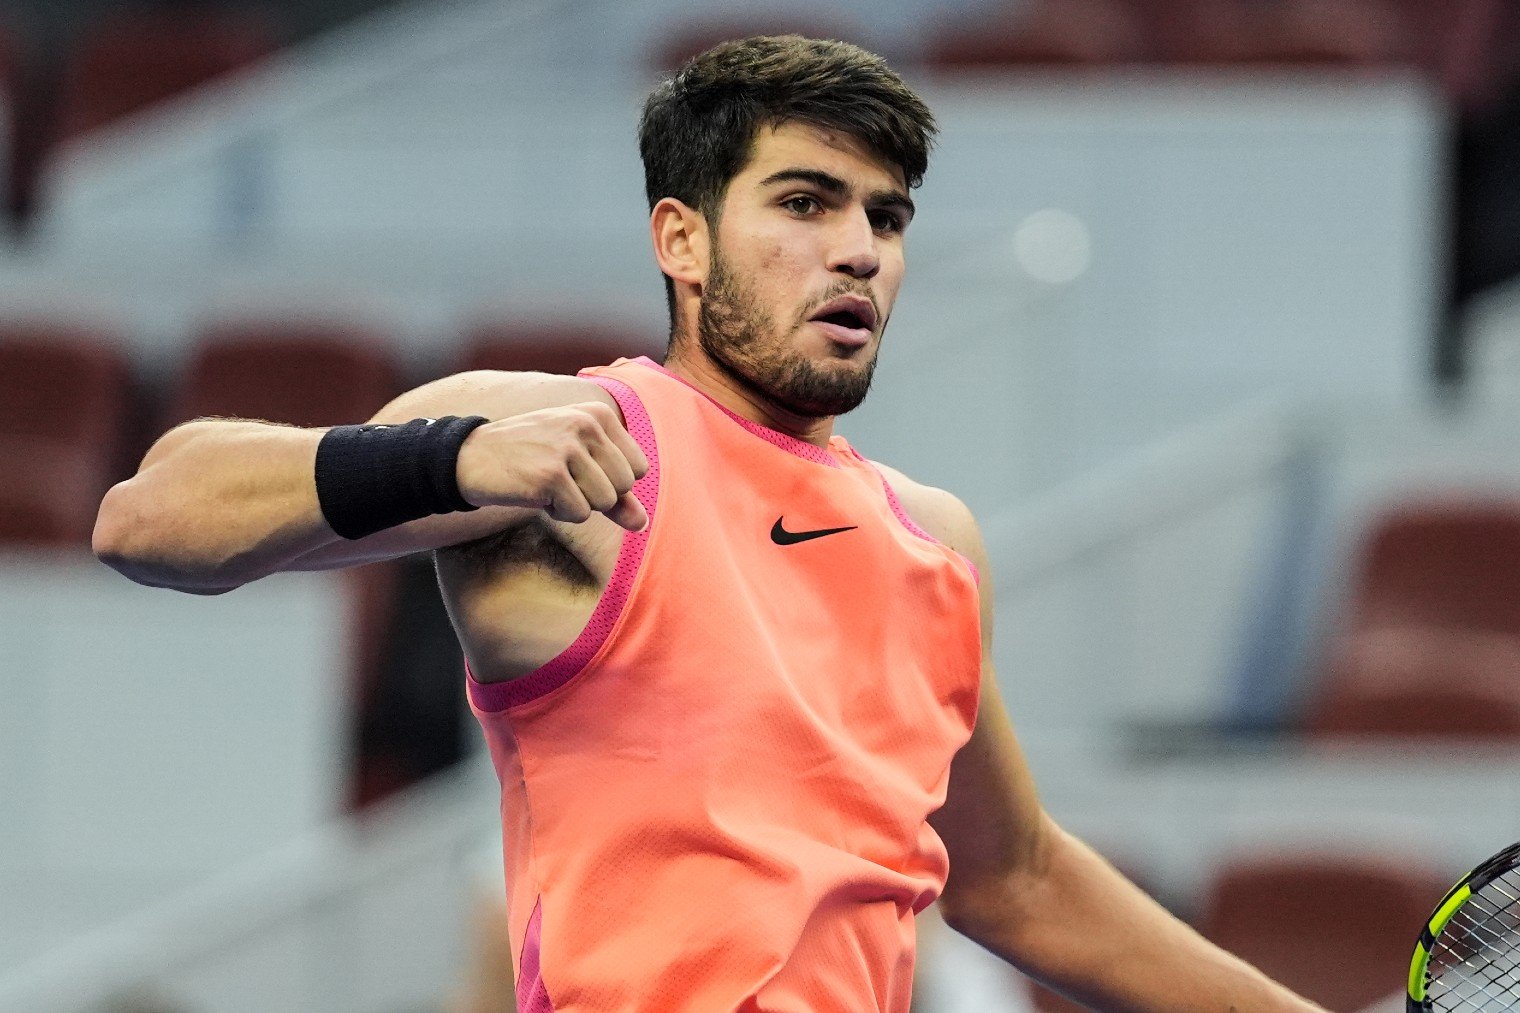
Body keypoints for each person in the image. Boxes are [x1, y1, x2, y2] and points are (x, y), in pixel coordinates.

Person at [93, 35, 1330, 1013]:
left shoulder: (934, 540)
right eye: (804, 203)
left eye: (885, 218)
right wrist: (451, 455)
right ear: (680, 238)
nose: (855, 251)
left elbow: (1019, 880)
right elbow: (149, 514)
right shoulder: (567, 437)